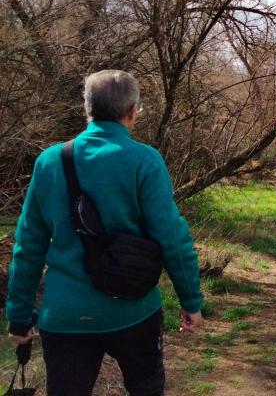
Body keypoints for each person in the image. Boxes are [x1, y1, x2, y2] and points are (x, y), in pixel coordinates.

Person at [5, 70, 203, 396]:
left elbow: (28, 245)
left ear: (88, 110)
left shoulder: (49, 162)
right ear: (132, 111)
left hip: (65, 315)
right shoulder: (145, 161)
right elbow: (172, 236)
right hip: (134, 311)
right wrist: (191, 300)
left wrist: (19, 316)